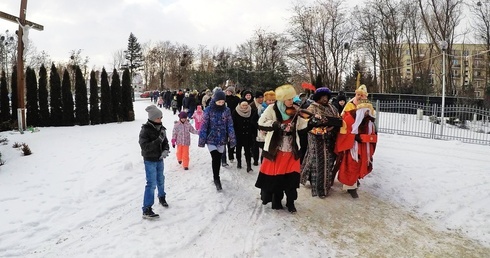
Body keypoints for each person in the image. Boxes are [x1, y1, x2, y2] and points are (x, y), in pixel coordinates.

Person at [255, 84, 308, 213]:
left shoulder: (295, 110)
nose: (292, 101)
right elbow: (261, 122)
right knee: (276, 178)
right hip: (276, 150)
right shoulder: (272, 109)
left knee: (291, 179)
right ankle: (277, 201)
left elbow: (301, 126)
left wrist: (311, 122)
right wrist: (278, 125)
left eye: (292, 98)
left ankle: (291, 203)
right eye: (289, 99)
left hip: (291, 150)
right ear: (282, 99)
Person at [300, 87, 340, 198]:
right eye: (322, 97)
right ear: (318, 98)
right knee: (319, 163)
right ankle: (320, 189)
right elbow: (306, 122)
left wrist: (335, 125)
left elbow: (339, 119)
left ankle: (323, 183)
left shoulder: (332, 108)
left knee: (328, 162)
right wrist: (317, 124)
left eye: (326, 97)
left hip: (330, 139)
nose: (325, 99)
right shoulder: (312, 107)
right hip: (316, 139)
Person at [334, 98, 377, 199]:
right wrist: (354, 137)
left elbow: (372, 133)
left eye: (368, 111)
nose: (367, 113)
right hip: (352, 148)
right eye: (365, 111)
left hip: (363, 147)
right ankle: (350, 187)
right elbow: (343, 134)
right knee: (352, 165)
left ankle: (354, 181)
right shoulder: (350, 118)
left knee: (360, 164)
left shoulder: (369, 121)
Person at [198, 91, 237, 191]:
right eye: (219, 102)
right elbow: (204, 125)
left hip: (222, 138)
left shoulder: (227, 110)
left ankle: (216, 174)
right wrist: (202, 140)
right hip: (211, 138)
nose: (220, 104)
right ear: (214, 100)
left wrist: (232, 138)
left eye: (222, 102)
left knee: (218, 158)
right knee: (215, 157)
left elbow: (230, 125)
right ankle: (217, 179)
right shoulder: (208, 110)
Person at [139, 105, 170, 219]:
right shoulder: (145, 130)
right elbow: (144, 146)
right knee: (151, 183)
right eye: (158, 118)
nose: (160, 120)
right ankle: (146, 208)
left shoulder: (161, 128)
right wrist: (158, 141)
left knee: (161, 179)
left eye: (161, 118)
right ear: (152, 118)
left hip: (159, 159)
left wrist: (165, 150)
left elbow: (165, 141)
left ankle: (162, 196)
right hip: (150, 160)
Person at [232, 99, 255, 172]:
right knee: (238, 149)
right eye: (243, 105)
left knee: (247, 150)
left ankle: (249, 165)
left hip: (248, 133)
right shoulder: (235, 111)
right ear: (240, 105)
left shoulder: (251, 111)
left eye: (246, 105)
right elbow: (233, 123)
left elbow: (254, 122)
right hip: (238, 133)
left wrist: (253, 133)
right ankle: (239, 162)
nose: (245, 107)